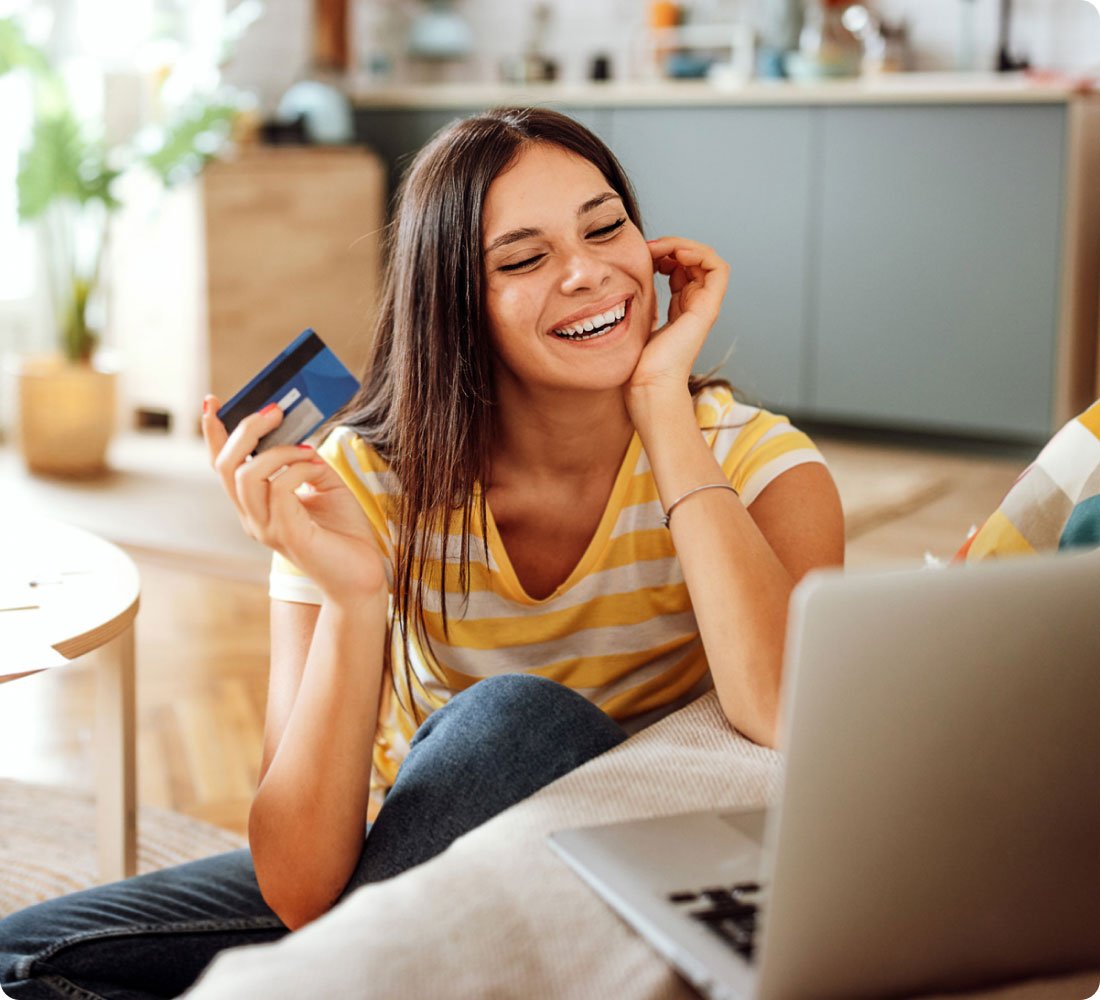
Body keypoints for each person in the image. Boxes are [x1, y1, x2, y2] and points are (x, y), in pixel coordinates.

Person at [0, 106, 844, 999]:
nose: (590, 272)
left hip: (628, 889)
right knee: (21, 960)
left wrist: (663, 404)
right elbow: (300, 889)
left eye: (606, 228)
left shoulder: (759, 466)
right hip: (413, 857)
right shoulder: (359, 484)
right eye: (525, 258)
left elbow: (789, 712)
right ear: (454, 304)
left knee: (519, 723)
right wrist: (356, 598)